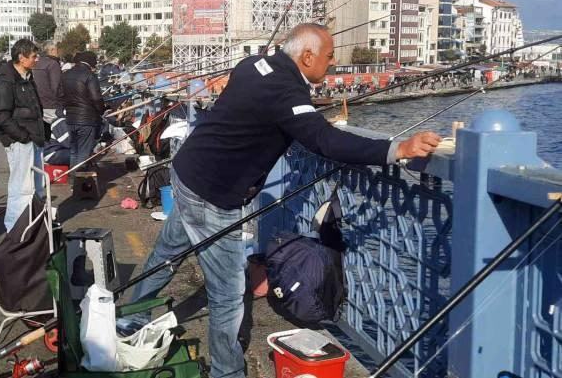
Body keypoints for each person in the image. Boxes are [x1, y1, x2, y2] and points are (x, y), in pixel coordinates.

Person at [122, 24, 441, 378]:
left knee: (166, 254)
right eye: (329, 56)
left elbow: (278, 114)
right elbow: (325, 141)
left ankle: (128, 317)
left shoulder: (254, 65)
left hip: (188, 172)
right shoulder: (286, 92)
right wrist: (398, 149)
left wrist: (303, 114)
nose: (333, 63)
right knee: (228, 295)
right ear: (307, 57)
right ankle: (226, 373)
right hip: (212, 195)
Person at [0, 39, 45, 232]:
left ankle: (35, 226)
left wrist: (41, 133)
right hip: (21, 141)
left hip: (34, 138)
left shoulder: (27, 77)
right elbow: (1, 116)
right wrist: (23, 137)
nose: (37, 59)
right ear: (21, 58)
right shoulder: (5, 81)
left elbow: (34, 108)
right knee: (21, 189)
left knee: (37, 188)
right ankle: (15, 231)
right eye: (33, 56)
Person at [60, 51, 105, 171]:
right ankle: (79, 181)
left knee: (74, 152)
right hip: (86, 119)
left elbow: (59, 95)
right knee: (84, 153)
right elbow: (96, 98)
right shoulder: (90, 75)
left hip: (70, 119)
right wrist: (101, 110)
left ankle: (74, 179)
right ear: (91, 62)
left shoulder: (65, 74)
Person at [33, 41, 64, 124]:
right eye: (57, 50)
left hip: (39, 103)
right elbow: (56, 87)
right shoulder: (53, 64)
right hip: (52, 106)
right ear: (52, 50)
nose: (58, 52)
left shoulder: (36, 63)